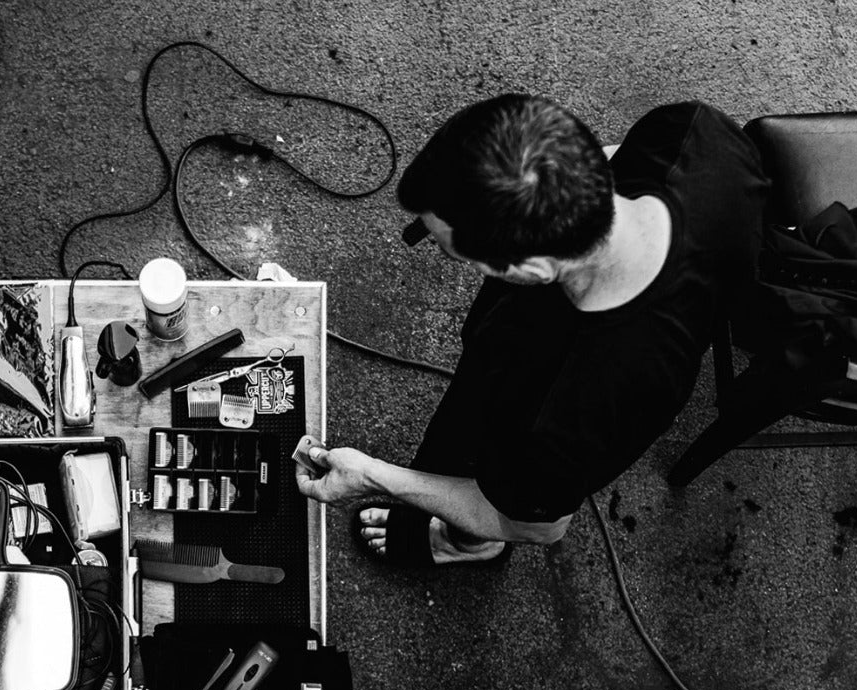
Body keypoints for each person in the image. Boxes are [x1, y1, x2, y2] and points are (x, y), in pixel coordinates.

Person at [293, 95, 769, 567]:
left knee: (482, 461)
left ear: (537, 268)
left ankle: (466, 545)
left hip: (537, 395)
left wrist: (376, 477)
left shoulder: (586, 404)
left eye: (454, 253)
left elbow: (536, 525)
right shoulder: (692, 130)